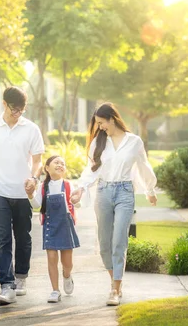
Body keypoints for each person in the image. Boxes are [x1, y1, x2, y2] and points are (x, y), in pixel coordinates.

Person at [71, 102, 157, 306]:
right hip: (103, 192)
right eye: (98, 123)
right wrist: (81, 187)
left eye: (102, 122)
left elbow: (144, 166)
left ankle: (115, 289)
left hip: (125, 193)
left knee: (119, 240)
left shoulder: (134, 141)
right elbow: (91, 169)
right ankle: (115, 280)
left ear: (112, 118)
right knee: (104, 244)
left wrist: (150, 191)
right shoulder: (98, 143)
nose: (100, 127)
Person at [0, 86, 45, 305]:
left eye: (21, 110)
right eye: (14, 109)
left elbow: (38, 160)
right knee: (2, 239)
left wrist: (33, 178)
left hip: (23, 192)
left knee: (23, 237)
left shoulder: (31, 129)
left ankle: (21, 277)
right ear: (4, 104)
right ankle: (7, 285)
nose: (18, 113)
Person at [28, 155, 81, 303]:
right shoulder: (43, 187)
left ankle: (66, 274)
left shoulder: (69, 185)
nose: (60, 165)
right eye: (56, 162)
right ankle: (55, 290)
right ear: (47, 168)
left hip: (65, 225)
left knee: (67, 262)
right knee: (51, 258)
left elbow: (76, 204)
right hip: (50, 225)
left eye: (62, 163)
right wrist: (30, 195)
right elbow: (36, 204)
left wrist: (77, 201)